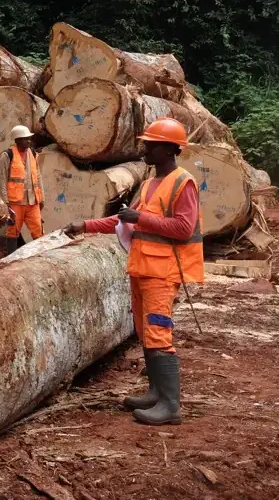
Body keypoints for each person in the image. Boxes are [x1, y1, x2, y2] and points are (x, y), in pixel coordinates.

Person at [65, 118, 203, 426]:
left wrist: (141, 216)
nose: (145, 149)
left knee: (157, 333)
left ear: (168, 149)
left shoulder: (184, 182)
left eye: (150, 145)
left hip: (162, 272)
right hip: (141, 267)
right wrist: (85, 225)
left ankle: (170, 405)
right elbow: (123, 221)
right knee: (144, 332)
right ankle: (155, 392)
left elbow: (183, 228)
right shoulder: (150, 183)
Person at [0, 125, 43, 252]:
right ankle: (11, 257)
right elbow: (2, 179)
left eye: (29, 138)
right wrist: (5, 202)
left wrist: (41, 198)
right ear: (17, 140)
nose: (28, 141)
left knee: (38, 230)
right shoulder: (7, 155)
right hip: (15, 202)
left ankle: (40, 256)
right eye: (25, 139)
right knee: (13, 231)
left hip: (32, 201)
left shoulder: (33, 154)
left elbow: (38, 177)